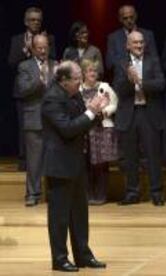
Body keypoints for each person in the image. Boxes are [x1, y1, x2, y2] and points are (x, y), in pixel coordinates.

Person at [42, 61, 107, 272]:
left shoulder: (74, 93)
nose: (81, 82)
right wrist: (90, 112)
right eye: (77, 78)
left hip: (76, 162)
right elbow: (68, 129)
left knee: (80, 214)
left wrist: (97, 112)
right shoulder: (52, 98)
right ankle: (59, 259)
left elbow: (84, 121)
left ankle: (83, 255)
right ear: (63, 80)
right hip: (59, 165)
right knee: (59, 216)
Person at [113, 31, 166, 206]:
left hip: (148, 113)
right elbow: (118, 88)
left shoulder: (153, 60)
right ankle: (132, 193)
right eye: (135, 43)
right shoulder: (121, 63)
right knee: (130, 157)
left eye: (141, 42)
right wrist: (130, 81)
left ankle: (156, 192)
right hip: (129, 113)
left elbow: (160, 84)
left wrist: (141, 82)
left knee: (153, 154)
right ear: (128, 45)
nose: (139, 46)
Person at [8, 6, 56, 171]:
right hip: (24, 90)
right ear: (25, 21)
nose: (36, 23)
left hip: (46, 92)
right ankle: (24, 162)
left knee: (45, 130)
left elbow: (53, 60)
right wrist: (27, 50)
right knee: (25, 127)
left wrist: (41, 47)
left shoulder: (48, 38)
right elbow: (12, 62)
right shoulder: (17, 39)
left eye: (38, 20)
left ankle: (43, 163)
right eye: (32, 20)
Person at [15, 34, 56, 207]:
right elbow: (22, 89)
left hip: (54, 120)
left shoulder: (56, 64)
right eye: (39, 47)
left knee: (54, 159)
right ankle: (32, 194)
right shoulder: (24, 66)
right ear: (32, 49)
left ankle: (53, 194)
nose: (43, 50)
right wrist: (39, 81)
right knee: (34, 160)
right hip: (34, 118)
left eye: (45, 46)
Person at [79, 59, 118, 205]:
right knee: (86, 163)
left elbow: (114, 103)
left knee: (101, 164)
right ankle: (88, 195)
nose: (93, 73)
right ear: (83, 73)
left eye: (95, 71)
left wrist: (104, 111)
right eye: (90, 71)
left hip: (102, 128)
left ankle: (101, 195)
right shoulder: (79, 89)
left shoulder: (104, 87)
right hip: (85, 130)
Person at [106, 4, 159, 72]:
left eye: (131, 17)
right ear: (120, 19)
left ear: (136, 16)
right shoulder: (113, 38)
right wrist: (127, 67)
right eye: (125, 18)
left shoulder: (148, 35)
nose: (129, 21)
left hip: (145, 75)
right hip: (122, 77)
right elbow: (109, 63)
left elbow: (155, 59)